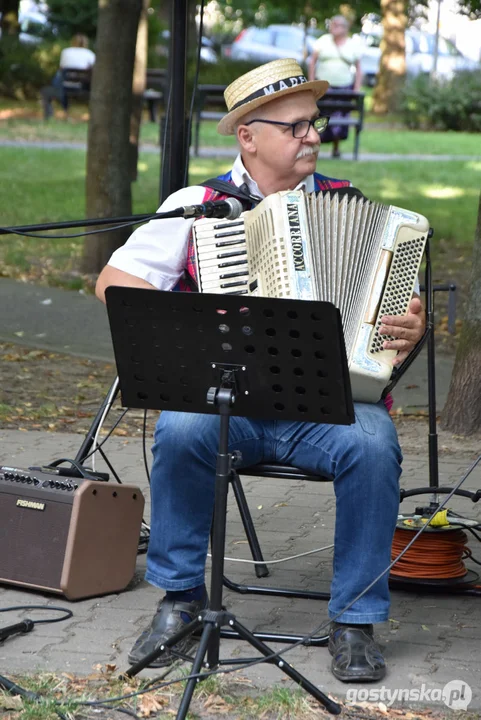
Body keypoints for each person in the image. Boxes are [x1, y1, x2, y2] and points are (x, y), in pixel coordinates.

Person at [95, 58, 425, 683]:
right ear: (248, 135)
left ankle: (355, 621)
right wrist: (192, 319)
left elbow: (397, 314)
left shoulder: (348, 207)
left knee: (374, 443)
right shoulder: (197, 208)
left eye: (314, 124)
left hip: (328, 408)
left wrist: (409, 324)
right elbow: (115, 284)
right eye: (296, 126)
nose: (313, 136)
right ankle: (180, 599)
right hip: (228, 405)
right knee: (182, 429)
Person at [308, 15, 363, 158]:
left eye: (337, 25)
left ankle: (336, 148)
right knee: (321, 117)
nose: (333, 27)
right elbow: (312, 62)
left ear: (345, 28)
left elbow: (358, 69)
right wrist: (312, 82)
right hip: (324, 86)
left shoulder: (352, 45)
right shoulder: (323, 41)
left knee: (340, 118)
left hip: (344, 87)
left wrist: (356, 88)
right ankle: (316, 147)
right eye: (332, 25)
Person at [43, 34, 95, 118]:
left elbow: (61, 68)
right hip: (82, 87)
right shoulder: (90, 54)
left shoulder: (66, 51)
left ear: (73, 42)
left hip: (64, 86)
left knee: (47, 89)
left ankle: (57, 114)